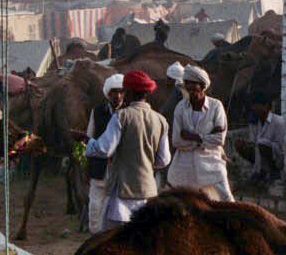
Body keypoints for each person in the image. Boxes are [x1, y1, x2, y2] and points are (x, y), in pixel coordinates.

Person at [82, 69, 171, 226]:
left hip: (122, 194)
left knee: (111, 237)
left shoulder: (122, 116)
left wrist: (85, 140)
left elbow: (105, 149)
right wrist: (143, 162)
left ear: (129, 92)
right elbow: (163, 160)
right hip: (147, 191)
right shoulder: (161, 120)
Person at [167, 64, 234, 201]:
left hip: (211, 163)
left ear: (202, 86)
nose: (190, 88)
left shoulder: (216, 106)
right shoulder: (180, 107)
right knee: (178, 201)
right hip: (184, 165)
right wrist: (207, 138)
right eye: (187, 83)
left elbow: (219, 139)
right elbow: (177, 141)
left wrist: (193, 137)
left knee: (226, 198)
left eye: (194, 84)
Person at [85, 73, 124, 234]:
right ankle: (95, 235)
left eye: (121, 91)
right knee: (95, 206)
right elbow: (89, 137)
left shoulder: (128, 113)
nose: (118, 95)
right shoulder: (98, 111)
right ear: (108, 94)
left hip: (121, 168)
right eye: (114, 92)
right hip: (100, 167)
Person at [240, 94, 286, 181]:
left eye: (257, 105)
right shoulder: (254, 121)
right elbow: (253, 141)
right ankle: (259, 170)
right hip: (259, 153)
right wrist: (248, 144)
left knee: (262, 143)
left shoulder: (278, 121)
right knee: (240, 144)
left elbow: (282, 147)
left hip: (276, 156)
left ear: (266, 106)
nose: (255, 108)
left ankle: (272, 171)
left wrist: (265, 144)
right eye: (253, 105)